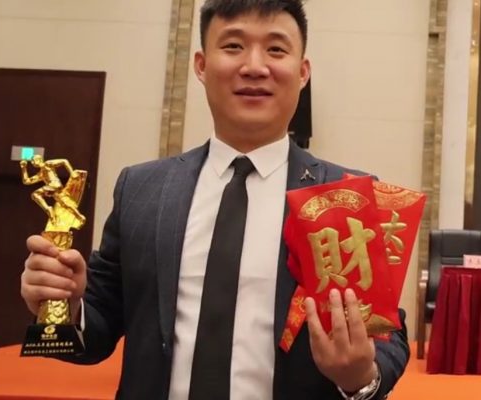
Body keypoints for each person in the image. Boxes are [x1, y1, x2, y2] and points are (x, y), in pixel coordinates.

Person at [21, 1, 410, 399]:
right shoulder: (141, 189)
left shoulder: (345, 196)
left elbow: (387, 335)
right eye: (233, 46)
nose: (255, 66)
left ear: (302, 72)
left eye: (276, 49)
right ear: (202, 66)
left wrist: (360, 376)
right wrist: (65, 305)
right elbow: (100, 320)